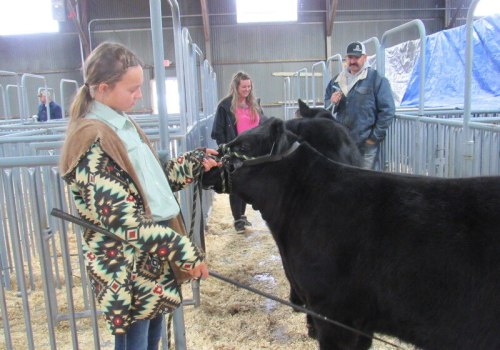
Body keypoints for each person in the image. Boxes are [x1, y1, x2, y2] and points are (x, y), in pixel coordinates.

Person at [59, 42, 219, 350]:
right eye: (132, 89)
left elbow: (151, 183)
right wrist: (183, 250)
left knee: (150, 341)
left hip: (150, 261)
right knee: (136, 343)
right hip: (127, 269)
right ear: (103, 88)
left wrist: (193, 163)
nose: (139, 95)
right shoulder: (93, 142)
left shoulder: (122, 124)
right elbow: (124, 223)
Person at [324, 41, 395, 170]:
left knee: (367, 180)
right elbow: (326, 109)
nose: (353, 61)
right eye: (350, 57)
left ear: (365, 57)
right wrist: (331, 102)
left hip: (366, 143)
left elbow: (388, 110)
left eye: (357, 57)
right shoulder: (336, 81)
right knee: (346, 179)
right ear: (346, 58)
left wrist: (374, 137)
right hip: (343, 144)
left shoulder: (376, 80)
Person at [211, 71, 265, 233]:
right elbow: (218, 131)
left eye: (249, 86)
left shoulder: (254, 104)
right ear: (236, 87)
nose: (247, 89)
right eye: (244, 86)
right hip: (235, 151)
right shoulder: (225, 106)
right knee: (236, 185)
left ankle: (242, 215)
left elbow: (263, 124)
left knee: (247, 184)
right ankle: (238, 220)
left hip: (253, 152)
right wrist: (226, 148)